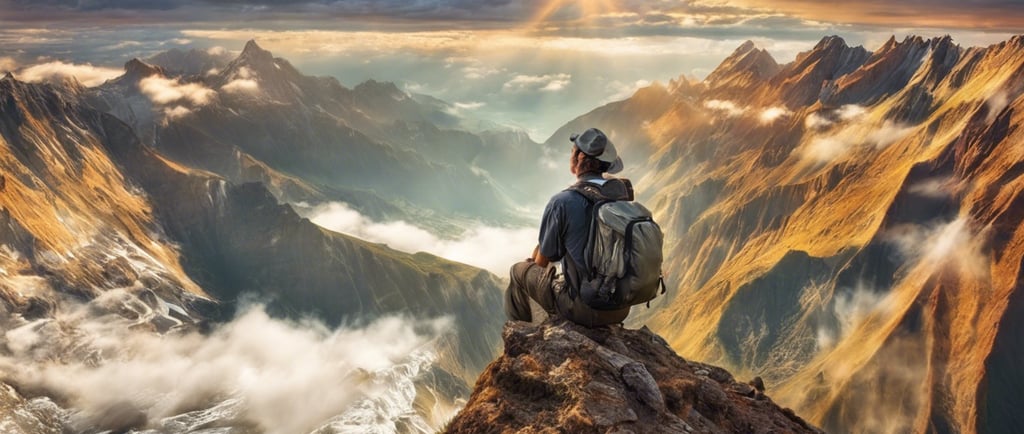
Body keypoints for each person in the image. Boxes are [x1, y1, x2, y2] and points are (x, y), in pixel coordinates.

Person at [505, 127, 633, 327]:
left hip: (584, 308)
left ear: (580, 156)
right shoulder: (621, 198)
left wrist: (533, 261)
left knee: (517, 271)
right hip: (621, 307)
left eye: (572, 151)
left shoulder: (563, 201)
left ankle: (524, 333)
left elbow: (544, 259)